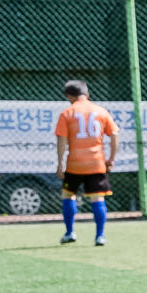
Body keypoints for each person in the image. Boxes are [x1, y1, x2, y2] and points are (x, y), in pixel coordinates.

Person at [52, 80, 118, 245]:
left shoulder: (67, 113)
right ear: (87, 94)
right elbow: (115, 134)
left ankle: (70, 232)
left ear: (69, 96)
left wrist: (60, 164)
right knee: (97, 199)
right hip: (96, 163)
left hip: (75, 163)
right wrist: (111, 158)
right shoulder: (101, 111)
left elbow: (61, 140)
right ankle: (100, 236)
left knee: (68, 195)